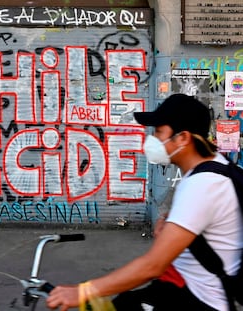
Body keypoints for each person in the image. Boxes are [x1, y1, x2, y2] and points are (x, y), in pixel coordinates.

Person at [46, 93, 243, 311]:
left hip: (199, 299)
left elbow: (152, 266)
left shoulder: (203, 185)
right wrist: (173, 220)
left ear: (183, 138)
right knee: (118, 304)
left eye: (159, 131)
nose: (153, 139)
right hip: (182, 285)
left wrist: (83, 291)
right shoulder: (215, 165)